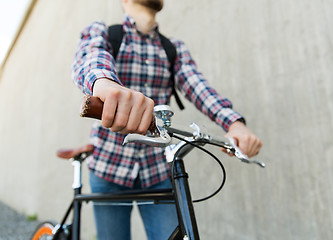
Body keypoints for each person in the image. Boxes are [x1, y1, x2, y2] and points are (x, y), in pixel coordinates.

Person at [72, 0, 263, 239]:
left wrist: (234, 123)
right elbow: (91, 56)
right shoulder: (105, 33)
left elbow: (199, 87)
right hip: (108, 166)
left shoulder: (173, 48)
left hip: (157, 169)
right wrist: (104, 82)